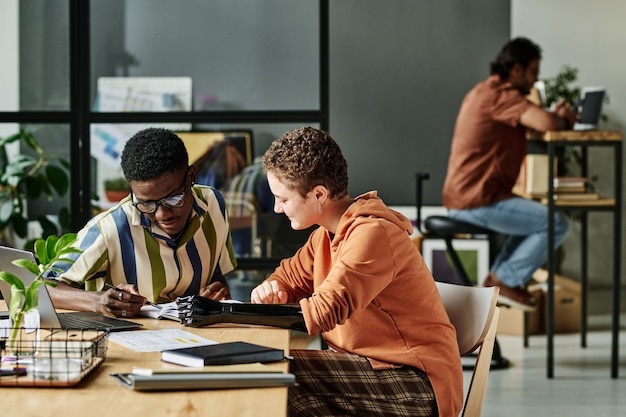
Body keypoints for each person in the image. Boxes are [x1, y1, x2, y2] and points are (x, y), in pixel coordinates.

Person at [250, 127, 463, 417]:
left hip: (415, 383)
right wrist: (271, 287)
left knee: (280, 375)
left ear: (318, 194)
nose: (276, 208)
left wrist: (250, 315)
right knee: (281, 380)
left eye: (283, 199)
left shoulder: (373, 234)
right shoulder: (324, 237)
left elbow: (326, 309)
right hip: (368, 369)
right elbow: (287, 276)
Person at [442, 37, 577, 312]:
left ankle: (497, 283)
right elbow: (546, 122)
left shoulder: (485, 91)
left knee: (534, 224)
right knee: (555, 224)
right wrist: (563, 119)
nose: (535, 80)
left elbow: (535, 118)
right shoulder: (502, 96)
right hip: (477, 201)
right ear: (516, 69)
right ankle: (503, 281)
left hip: (470, 197)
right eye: (533, 72)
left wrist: (551, 115)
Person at [47, 127, 236, 318]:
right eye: (146, 203)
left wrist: (217, 290)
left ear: (192, 176)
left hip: (197, 338)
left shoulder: (213, 205)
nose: (162, 214)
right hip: (130, 342)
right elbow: (39, 286)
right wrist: (97, 300)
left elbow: (216, 277)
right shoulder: (110, 228)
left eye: (172, 199)